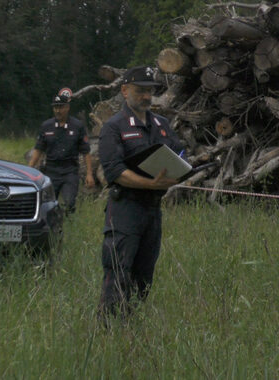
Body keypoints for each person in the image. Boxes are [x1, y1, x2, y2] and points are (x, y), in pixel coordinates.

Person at [97, 66, 185, 320]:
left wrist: (181, 170)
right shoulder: (114, 127)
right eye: (140, 91)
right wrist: (149, 184)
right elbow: (114, 171)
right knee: (118, 270)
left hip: (152, 210)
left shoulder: (162, 124)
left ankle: (131, 323)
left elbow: (179, 153)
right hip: (125, 209)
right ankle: (110, 328)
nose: (146, 96)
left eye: (150, 91)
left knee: (144, 274)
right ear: (125, 91)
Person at [29, 88, 95, 214]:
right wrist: (29, 169)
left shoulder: (77, 126)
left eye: (61, 107)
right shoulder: (46, 126)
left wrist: (89, 174)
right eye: (55, 107)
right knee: (47, 204)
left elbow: (86, 152)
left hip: (70, 171)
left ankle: (68, 223)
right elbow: (39, 149)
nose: (58, 110)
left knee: (69, 203)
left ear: (67, 107)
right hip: (51, 170)